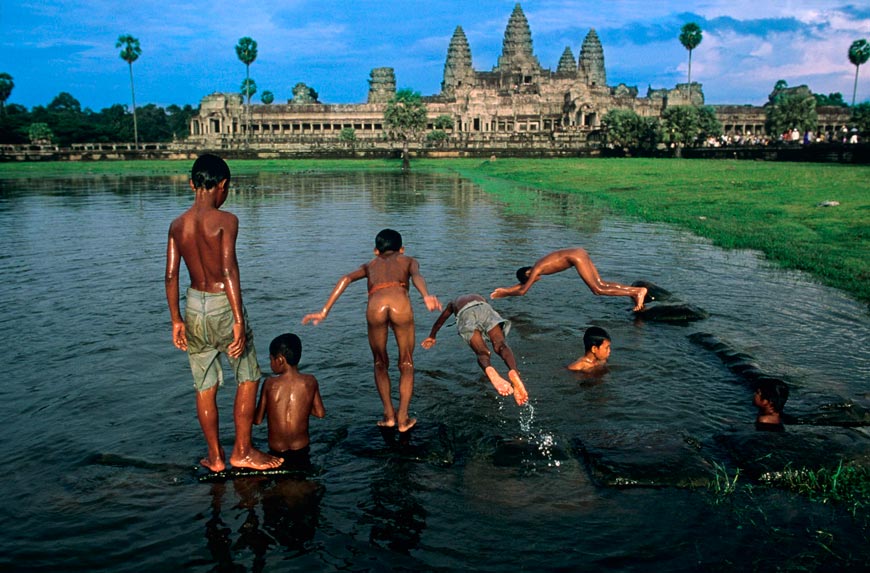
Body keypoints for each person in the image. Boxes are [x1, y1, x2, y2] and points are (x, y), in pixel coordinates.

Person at [165, 153, 282, 472]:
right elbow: (229, 269)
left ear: (191, 184)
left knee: (204, 386)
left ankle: (215, 457)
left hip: (193, 306)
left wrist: (176, 319)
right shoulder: (227, 221)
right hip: (221, 304)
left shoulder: (177, 225)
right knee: (247, 377)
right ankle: (241, 450)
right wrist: (239, 320)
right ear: (223, 186)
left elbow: (171, 275)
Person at [302, 229, 441, 432]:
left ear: (376, 251)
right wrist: (426, 295)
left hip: (375, 304)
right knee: (407, 362)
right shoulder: (409, 260)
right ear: (401, 249)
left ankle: (389, 415)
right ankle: (403, 419)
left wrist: (324, 311)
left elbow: (346, 278)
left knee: (379, 363)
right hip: (399, 301)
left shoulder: (370, 265)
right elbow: (417, 276)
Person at [421, 294, 529, 405]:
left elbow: (440, 321)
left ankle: (489, 368)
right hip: (485, 309)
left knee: (482, 352)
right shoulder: (480, 297)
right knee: (501, 345)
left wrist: (432, 336)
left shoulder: (453, 303)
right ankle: (514, 371)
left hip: (465, 313)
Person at [490, 248, 648, 311]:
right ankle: (635, 292)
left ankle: (638, 292)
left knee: (597, 290)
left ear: (527, 274)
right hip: (579, 252)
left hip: (575, 257)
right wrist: (509, 289)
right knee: (602, 284)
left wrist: (505, 293)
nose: (535, 280)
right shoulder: (537, 267)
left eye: (530, 278)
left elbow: (524, 290)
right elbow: (524, 285)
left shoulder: (537, 269)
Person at [254, 333, 325, 468]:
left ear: (280, 360)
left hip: (276, 450)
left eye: (271, 360)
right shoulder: (310, 381)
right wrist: (302, 405)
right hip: (302, 447)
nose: (270, 364)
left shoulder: (269, 384)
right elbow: (320, 413)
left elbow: (257, 420)